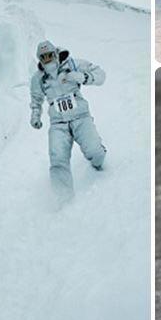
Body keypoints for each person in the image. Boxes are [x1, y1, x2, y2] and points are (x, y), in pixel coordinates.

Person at [29, 40, 106, 202]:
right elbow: (36, 99)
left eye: (50, 55)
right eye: (43, 57)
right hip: (58, 123)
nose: (47, 59)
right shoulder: (38, 79)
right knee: (57, 159)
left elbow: (101, 75)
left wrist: (83, 77)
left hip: (80, 117)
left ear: (56, 54)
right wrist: (35, 115)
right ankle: (62, 198)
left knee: (95, 152)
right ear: (39, 59)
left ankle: (98, 161)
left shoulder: (73, 65)